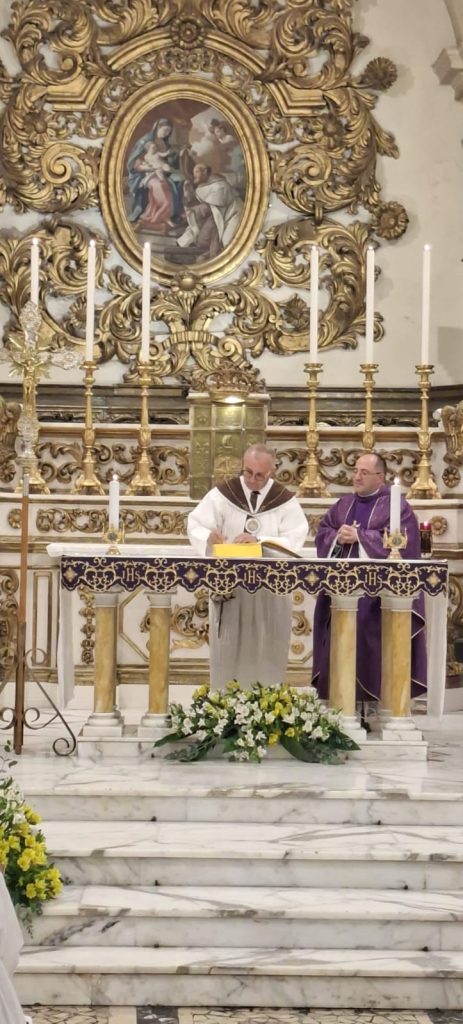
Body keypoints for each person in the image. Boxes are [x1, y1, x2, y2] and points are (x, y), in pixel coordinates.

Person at [187, 444, 308, 689]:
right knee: (229, 647)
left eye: (260, 475)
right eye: (248, 472)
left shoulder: (284, 501)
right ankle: (225, 701)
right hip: (230, 587)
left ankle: (268, 701)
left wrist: (260, 541)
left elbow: (295, 539)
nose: (252, 480)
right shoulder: (223, 494)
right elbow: (195, 523)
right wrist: (207, 536)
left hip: (270, 591)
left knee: (267, 645)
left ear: (272, 472)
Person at [312, 451, 427, 705]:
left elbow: (404, 544)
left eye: (364, 473)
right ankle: (340, 701)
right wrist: (337, 537)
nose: (357, 477)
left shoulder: (397, 507)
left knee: (365, 625)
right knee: (335, 625)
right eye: (356, 471)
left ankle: (375, 702)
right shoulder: (343, 505)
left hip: (378, 596)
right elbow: (323, 533)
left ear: (380, 477)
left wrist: (361, 537)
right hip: (340, 590)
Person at [126, 118, 191, 231]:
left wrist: (179, 154)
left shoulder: (164, 142)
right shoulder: (145, 142)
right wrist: (151, 168)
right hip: (145, 174)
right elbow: (136, 164)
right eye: (164, 130)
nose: (166, 134)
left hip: (162, 171)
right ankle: (158, 217)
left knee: (179, 180)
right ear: (157, 128)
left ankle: (173, 214)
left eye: (168, 132)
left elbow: (166, 158)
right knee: (161, 186)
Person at [177, 163, 243, 253]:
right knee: (201, 238)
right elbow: (195, 203)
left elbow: (210, 207)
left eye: (196, 172)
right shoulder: (203, 186)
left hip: (232, 215)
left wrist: (194, 210)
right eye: (193, 172)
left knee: (227, 242)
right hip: (216, 216)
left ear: (204, 172)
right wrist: (187, 191)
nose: (194, 175)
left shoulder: (220, 186)